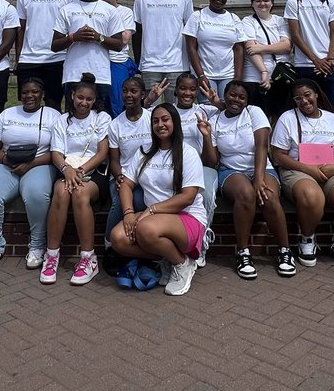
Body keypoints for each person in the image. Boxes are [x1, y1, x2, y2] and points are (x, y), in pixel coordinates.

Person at [112, 104, 207, 296]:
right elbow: (126, 184)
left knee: (145, 228)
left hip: (187, 218)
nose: (160, 124)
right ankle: (169, 258)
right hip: (153, 219)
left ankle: (183, 265)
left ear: (175, 122)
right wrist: (129, 213)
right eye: (155, 121)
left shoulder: (187, 153)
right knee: (118, 238)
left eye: (165, 119)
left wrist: (152, 209)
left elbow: (188, 197)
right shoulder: (144, 151)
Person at [269, 78, 334, 268]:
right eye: (298, 98)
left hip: (331, 170)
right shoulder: (287, 118)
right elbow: (278, 155)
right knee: (312, 196)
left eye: (307, 95)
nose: (303, 101)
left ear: (316, 95)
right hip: (297, 169)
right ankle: (307, 239)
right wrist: (307, 169)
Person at [207, 80, 295, 279]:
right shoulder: (215, 121)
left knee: (269, 196)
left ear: (247, 100)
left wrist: (259, 178)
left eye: (241, 97)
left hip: (261, 167)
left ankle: (284, 250)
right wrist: (206, 136)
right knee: (246, 195)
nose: (235, 100)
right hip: (230, 170)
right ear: (225, 95)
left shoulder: (254, 112)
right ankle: (243, 252)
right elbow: (213, 161)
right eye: (232, 95)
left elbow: (262, 146)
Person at [0, 77, 61, 270]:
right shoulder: (7, 114)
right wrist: (7, 160)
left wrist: (29, 164)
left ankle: (37, 244)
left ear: (42, 94)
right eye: (25, 92)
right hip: (6, 163)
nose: (29, 96)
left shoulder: (52, 115)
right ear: (19, 94)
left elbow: (57, 151)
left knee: (36, 194)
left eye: (34, 92)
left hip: (39, 163)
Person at [41, 74, 111, 285]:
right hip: (66, 171)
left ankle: (88, 258)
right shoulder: (62, 121)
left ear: (95, 99)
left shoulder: (102, 118)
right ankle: (52, 255)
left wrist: (78, 171)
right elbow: (56, 153)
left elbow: (102, 153)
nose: (84, 102)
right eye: (80, 97)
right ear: (72, 96)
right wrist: (67, 170)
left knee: (80, 193)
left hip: (94, 173)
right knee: (61, 192)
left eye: (89, 99)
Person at [51, 0, 124, 113]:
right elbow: (54, 45)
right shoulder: (67, 9)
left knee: (100, 118)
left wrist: (99, 37)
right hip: (73, 73)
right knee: (72, 117)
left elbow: (118, 45)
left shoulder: (110, 10)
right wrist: (73, 37)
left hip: (100, 74)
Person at [103, 75, 156, 275]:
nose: (128, 95)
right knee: (121, 200)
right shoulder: (116, 124)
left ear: (143, 94)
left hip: (148, 175)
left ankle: (142, 247)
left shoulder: (151, 119)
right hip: (123, 175)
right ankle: (109, 246)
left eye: (133, 91)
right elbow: (115, 160)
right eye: (125, 91)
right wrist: (119, 177)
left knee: (143, 198)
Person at [15, 0, 76, 109]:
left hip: (57, 58)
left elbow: (73, 26)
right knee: (28, 104)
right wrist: (18, 57)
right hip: (29, 58)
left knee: (53, 103)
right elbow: (20, 29)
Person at [171, 72, 220, 265]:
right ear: (175, 90)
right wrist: (149, 99)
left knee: (206, 194)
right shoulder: (167, 111)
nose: (187, 93)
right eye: (183, 88)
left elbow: (211, 162)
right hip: (173, 167)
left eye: (192, 89)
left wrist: (215, 101)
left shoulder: (206, 111)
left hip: (201, 167)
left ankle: (201, 241)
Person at [132, 0, 193, 104]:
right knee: (152, 111)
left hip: (177, 65)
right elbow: (137, 32)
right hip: (150, 65)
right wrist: (139, 61)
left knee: (177, 110)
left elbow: (191, 33)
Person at [284, 0, 334, 114]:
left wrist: (329, 59)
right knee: (306, 110)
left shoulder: (330, 3)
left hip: (329, 65)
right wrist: (316, 60)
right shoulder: (293, 3)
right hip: (305, 65)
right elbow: (295, 35)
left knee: (332, 110)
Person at [184, 0, 247, 101]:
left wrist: (238, 78)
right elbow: (191, 48)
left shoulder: (234, 19)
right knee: (207, 109)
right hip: (205, 74)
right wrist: (200, 75)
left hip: (228, 74)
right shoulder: (198, 16)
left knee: (227, 109)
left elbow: (239, 49)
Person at [239, 0, 292, 120]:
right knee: (259, 118)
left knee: (280, 117)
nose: (263, 4)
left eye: (266, 0)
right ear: (252, 4)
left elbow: (286, 47)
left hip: (279, 77)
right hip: (255, 78)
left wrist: (261, 48)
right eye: (258, 1)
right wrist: (264, 72)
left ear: (272, 3)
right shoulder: (247, 21)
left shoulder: (280, 21)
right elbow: (251, 49)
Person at [100, 0, 138, 116]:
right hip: (98, 59)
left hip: (117, 60)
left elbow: (123, 40)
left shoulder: (125, 12)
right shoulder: (96, 8)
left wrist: (98, 37)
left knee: (118, 101)